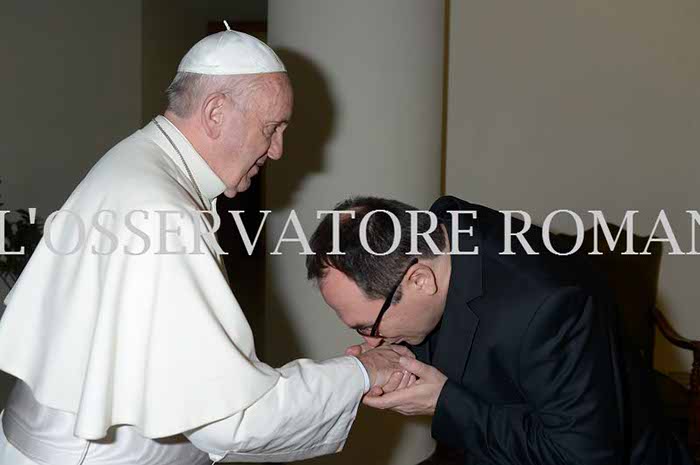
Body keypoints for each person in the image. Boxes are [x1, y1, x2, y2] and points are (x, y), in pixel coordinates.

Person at [0, 28, 409, 464]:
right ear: (215, 112)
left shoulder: (137, 164)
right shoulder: (162, 209)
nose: (277, 150)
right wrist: (362, 372)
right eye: (271, 128)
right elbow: (235, 420)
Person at [306, 195, 694, 465]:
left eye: (369, 327)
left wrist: (444, 403)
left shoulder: (552, 308)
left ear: (420, 280)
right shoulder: (442, 228)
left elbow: (582, 457)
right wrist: (401, 359)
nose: (370, 341)